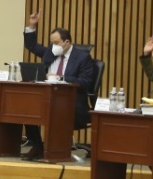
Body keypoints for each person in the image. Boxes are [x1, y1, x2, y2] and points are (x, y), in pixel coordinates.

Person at [22, 10, 99, 161]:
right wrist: (32, 25)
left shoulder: (83, 58)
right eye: (51, 42)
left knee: (55, 110)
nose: (53, 46)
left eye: (56, 43)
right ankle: (38, 147)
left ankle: (57, 150)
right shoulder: (50, 52)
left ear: (67, 42)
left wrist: (61, 78)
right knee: (28, 109)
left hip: (72, 103)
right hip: (48, 99)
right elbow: (31, 45)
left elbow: (85, 82)